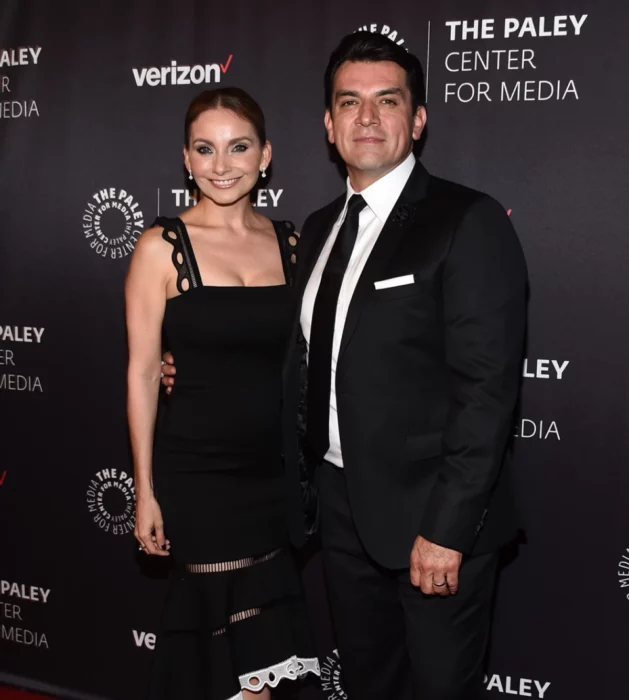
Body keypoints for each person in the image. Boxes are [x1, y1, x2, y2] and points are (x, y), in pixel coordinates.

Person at [163, 32, 527, 700]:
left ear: (416, 119)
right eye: (349, 102)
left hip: (431, 523)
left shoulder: (465, 221)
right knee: (368, 684)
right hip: (338, 513)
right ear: (328, 126)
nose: (367, 117)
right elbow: (293, 351)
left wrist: (445, 531)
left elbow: (487, 392)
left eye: (386, 101)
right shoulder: (320, 225)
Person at [125, 87, 319, 700]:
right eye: (205, 149)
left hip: (274, 472)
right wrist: (144, 490)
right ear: (186, 158)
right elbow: (142, 373)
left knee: (260, 661)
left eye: (238, 147)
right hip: (198, 474)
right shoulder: (160, 246)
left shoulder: (295, 246)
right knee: (222, 651)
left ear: (266, 155)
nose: (222, 164)